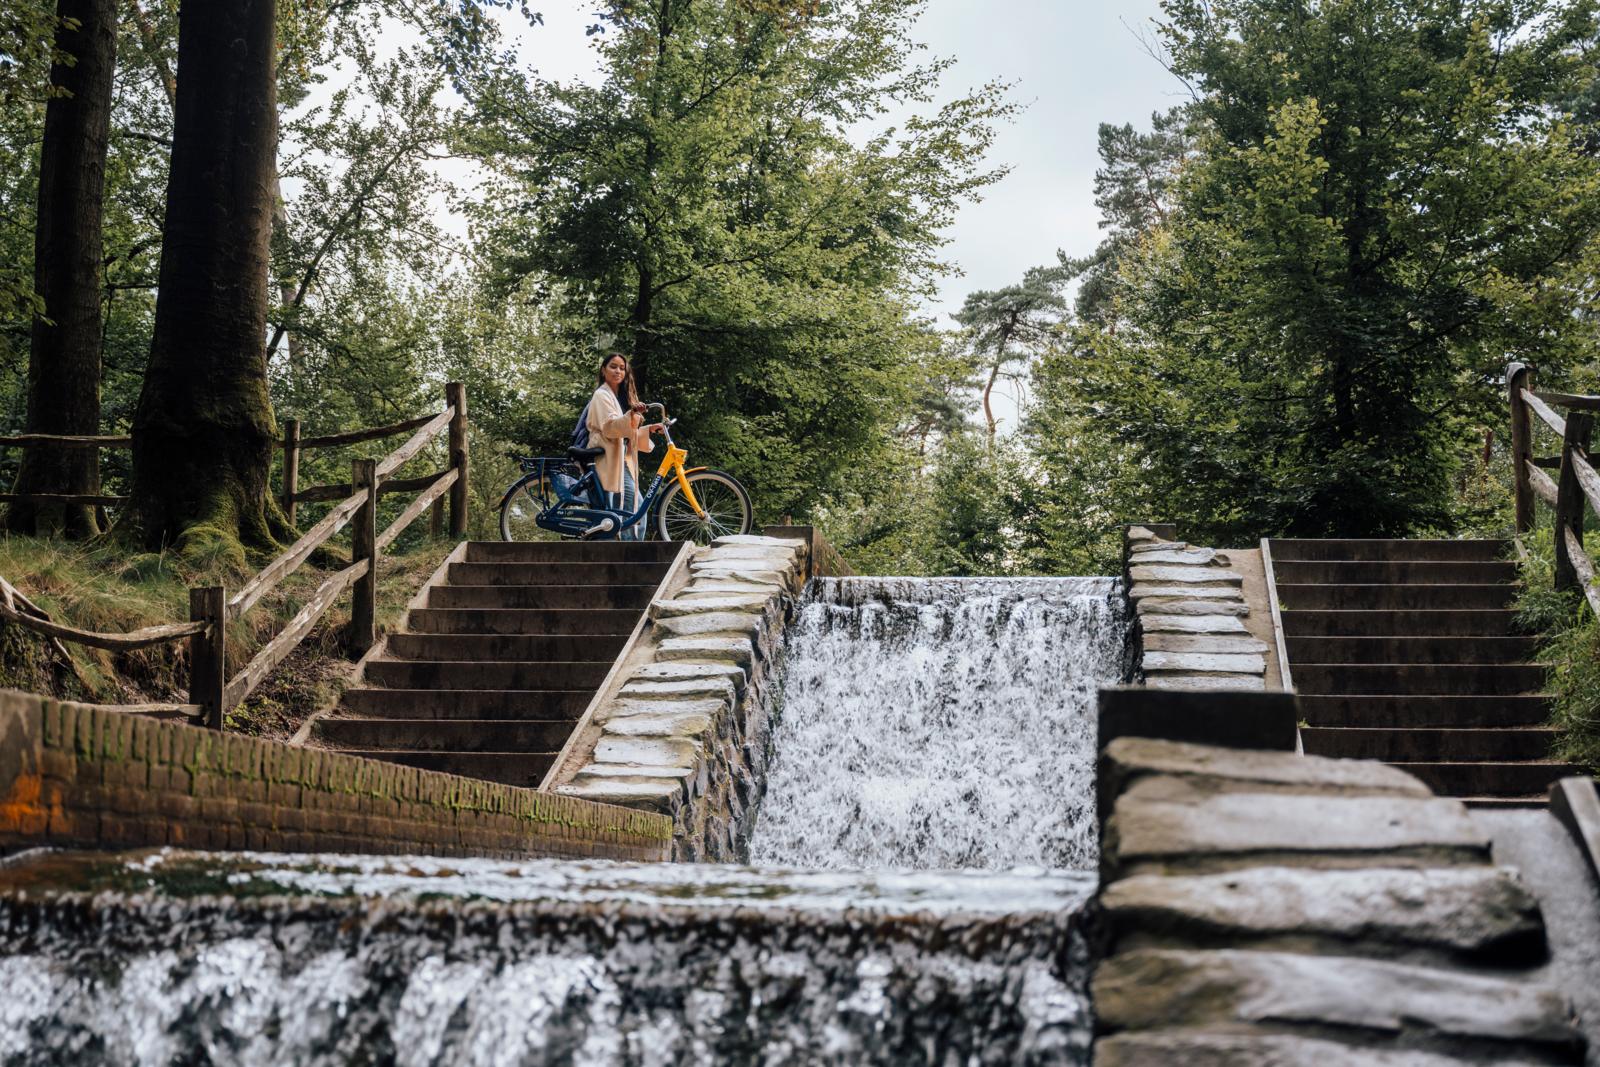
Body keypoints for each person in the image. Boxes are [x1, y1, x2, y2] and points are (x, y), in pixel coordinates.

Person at [586, 352, 662, 540]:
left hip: (620, 461)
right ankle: (628, 548)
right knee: (629, 510)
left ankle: (630, 546)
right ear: (603, 370)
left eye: (622, 368)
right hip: (607, 459)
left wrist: (649, 428)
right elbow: (610, 428)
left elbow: (625, 432)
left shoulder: (619, 396)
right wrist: (632, 414)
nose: (618, 371)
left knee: (634, 508)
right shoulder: (601, 395)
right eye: (613, 366)